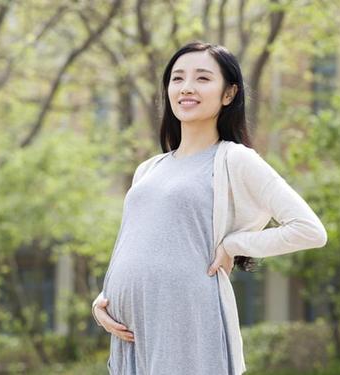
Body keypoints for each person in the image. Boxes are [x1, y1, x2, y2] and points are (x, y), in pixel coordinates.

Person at [91, 40, 327, 375]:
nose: (187, 88)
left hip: (186, 318)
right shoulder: (149, 168)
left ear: (228, 94)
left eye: (202, 78)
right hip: (130, 330)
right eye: (178, 78)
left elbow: (309, 229)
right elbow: (134, 243)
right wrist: (102, 300)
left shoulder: (234, 159)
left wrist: (234, 244)